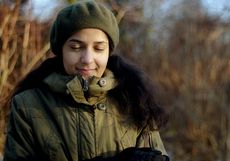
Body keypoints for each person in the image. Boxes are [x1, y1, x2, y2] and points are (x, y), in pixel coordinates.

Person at [3, 1, 169, 161]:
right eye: (76, 47)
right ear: (61, 50)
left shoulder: (134, 100)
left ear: (108, 52)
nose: (88, 59)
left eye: (98, 48)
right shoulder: (28, 105)